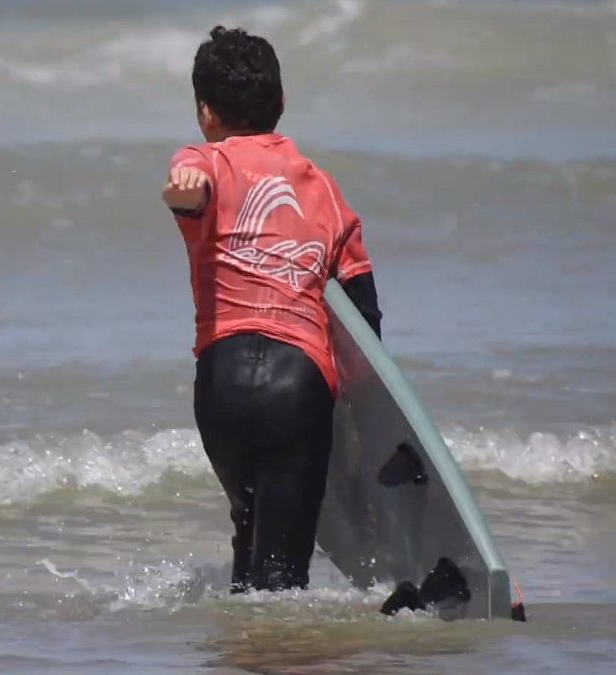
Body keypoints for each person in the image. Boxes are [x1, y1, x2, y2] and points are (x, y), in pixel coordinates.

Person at [162, 26, 383, 593]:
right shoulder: (325, 189)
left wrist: (186, 195)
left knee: (248, 533)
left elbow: (194, 186)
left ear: (205, 114)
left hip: (221, 386)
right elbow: (364, 319)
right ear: (281, 105)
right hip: (297, 386)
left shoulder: (203, 161)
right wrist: (363, 429)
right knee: (283, 577)